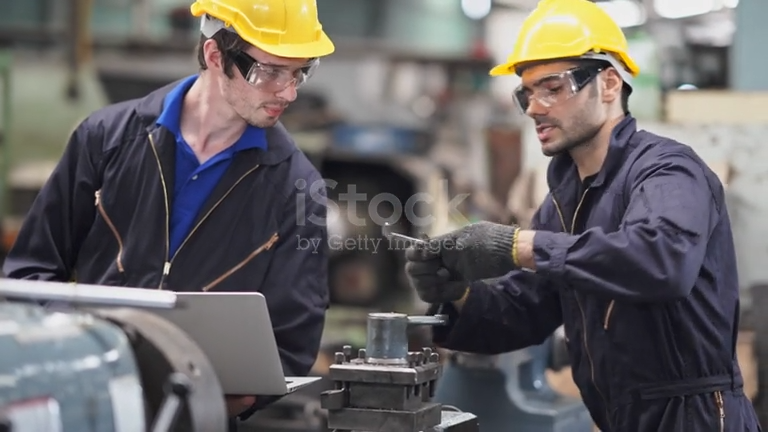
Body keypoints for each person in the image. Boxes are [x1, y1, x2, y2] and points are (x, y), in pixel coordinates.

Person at [404, 0, 761, 430]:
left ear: (609, 84)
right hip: (617, 418)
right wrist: (456, 293)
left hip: (695, 417)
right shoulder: (564, 200)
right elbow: (525, 311)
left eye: (552, 88)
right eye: (526, 93)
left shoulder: (667, 170)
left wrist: (519, 245)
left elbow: (662, 261)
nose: (534, 107)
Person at [2, 0, 333, 427]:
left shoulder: (297, 189)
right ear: (216, 55)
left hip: (196, 415)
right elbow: (28, 275)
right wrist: (77, 356)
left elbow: (291, 345)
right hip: (87, 406)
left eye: (299, 72)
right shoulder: (104, 140)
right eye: (269, 71)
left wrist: (218, 395)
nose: (288, 92)